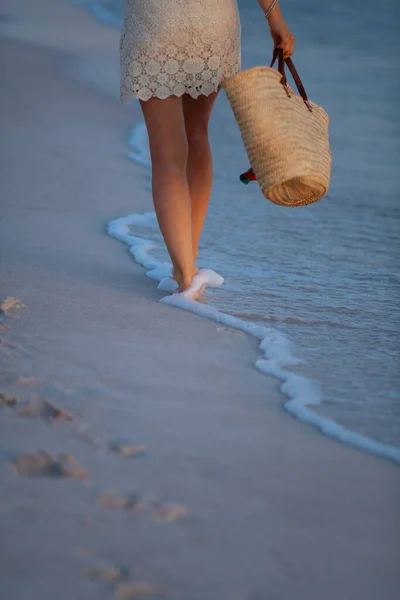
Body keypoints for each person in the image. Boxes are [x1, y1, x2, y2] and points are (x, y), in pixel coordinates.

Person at [120, 1, 295, 298]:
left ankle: (185, 273)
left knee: (167, 154)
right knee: (197, 133)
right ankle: (189, 257)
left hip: (155, 19)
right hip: (212, 23)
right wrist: (274, 19)